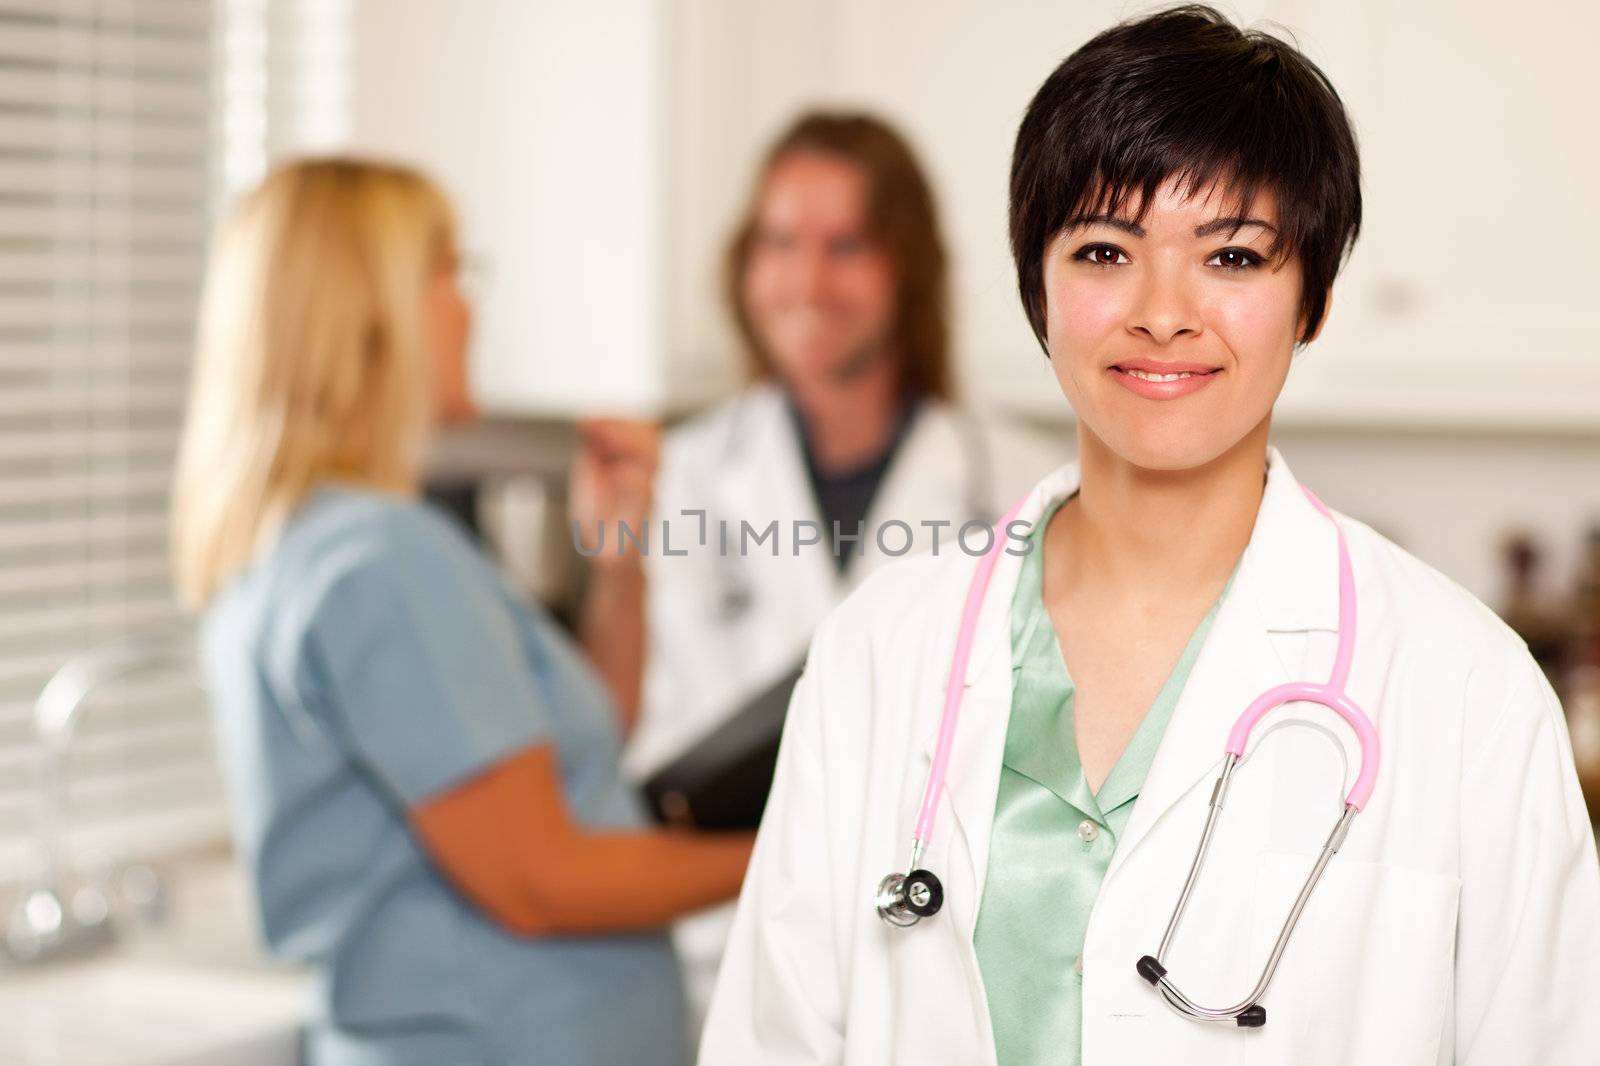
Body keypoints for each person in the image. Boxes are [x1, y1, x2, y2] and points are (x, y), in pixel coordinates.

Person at [698, 7, 1600, 1065]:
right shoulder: (881, 650)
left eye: (1231, 255)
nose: (1163, 312)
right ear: (1038, 284)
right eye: (1102, 249)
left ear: (1310, 296)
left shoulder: (1467, 692)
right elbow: (772, 1040)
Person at [172, 158, 753, 1066]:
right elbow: (539, 878)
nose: (469, 306)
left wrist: (617, 557)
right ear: (371, 310)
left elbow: (559, 759)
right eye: (449, 271)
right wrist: (799, 849)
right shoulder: (381, 561)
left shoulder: (303, 545)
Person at [603, 112, 1057, 1030]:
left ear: (908, 265)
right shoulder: (680, 474)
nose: (805, 280)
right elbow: (630, 737)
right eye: (778, 242)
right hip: (717, 963)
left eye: (845, 244)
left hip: (938, 968)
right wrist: (613, 563)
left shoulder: (1026, 486)